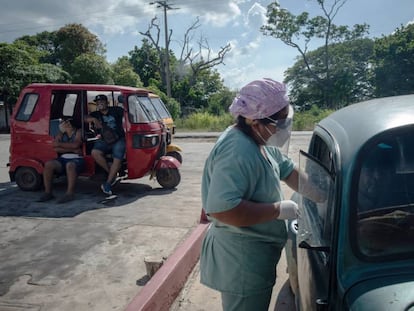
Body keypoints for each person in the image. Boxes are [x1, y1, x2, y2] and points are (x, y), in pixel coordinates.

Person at [200, 78, 301, 311]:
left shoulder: (259, 139)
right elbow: (223, 209)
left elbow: (287, 169)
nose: (284, 128)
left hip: (256, 257)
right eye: (280, 121)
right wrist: (278, 210)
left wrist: (321, 192)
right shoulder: (237, 150)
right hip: (242, 262)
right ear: (255, 120)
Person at [85, 94, 125, 196]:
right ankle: (112, 173)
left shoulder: (116, 110)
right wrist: (93, 120)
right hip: (104, 140)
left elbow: (128, 112)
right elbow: (84, 118)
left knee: (118, 157)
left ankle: (107, 184)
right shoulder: (96, 114)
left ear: (107, 102)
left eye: (102, 102)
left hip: (118, 139)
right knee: (95, 152)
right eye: (98, 103)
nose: (100, 104)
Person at [37, 117, 85, 204]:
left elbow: (76, 144)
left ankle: (70, 193)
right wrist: (71, 149)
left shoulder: (78, 131)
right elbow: (55, 147)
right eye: (65, 123)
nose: (67, 125)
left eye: (68, 123)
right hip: (63, 158)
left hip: (77, 159)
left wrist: (62, 146)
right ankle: (48, 192)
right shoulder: (61, 133)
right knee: (49, 164)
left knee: (70, 165)